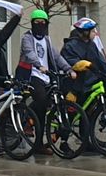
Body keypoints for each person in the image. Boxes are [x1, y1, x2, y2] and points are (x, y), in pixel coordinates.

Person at [16, 9, 74, 153]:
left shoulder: (47, 40)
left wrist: (69, 69)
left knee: (54, 102)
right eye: (37, 23)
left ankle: (38, 129)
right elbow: (29, 53)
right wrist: (39, 65)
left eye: (43, 23)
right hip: (31, 74)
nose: (40, 25)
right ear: (32, 24)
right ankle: (30, 122)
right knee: (41, 101)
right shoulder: (27, 38)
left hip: (46, 75)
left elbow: (56, 56)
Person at [61, 18, 106, 99]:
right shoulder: (70, 45)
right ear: (85, 32)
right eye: (93, 31)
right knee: (74, 105)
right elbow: (70, 62)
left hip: (91, 80)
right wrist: (83, 64)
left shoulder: (92, 44)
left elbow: (100, 60)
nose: (95, 33)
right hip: (76, 83)